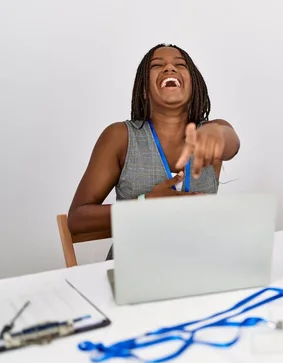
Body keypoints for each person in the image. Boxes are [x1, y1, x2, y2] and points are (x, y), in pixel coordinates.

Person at [67, 43, 240, 259]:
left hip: (200, 264)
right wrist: (144, 206)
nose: (169, 68)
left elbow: (232, 144)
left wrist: (219, 135)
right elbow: (77, 220)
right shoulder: (120, 136)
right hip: (134, 270)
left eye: (180, 64)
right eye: (157, 65)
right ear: (143, 89)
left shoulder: (212, 131)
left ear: (193, 84)